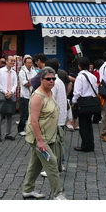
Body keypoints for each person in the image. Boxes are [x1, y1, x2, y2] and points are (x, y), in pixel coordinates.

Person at [22, 67, 66, 200]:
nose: (52, 81)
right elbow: (34, 121)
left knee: (35, 164)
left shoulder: (50, 93)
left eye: (53, 78)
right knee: (52, 162)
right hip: (39, 138)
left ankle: (28, 190)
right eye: (48, 79)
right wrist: (40, 141)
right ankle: (58, 194)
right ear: (41, 80)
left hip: (50, 136)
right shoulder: (37, 96)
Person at [71, 56, 99, 152]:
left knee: (83, 125)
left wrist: (74, 102)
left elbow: (77, 92)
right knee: (89, 124)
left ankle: (85, 145)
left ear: (79, 66)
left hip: (83, 103)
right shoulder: (93, 76)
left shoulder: (80, 77)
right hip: (92, 102)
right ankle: (90, 144)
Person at [0, 55, 18, 142]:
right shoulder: (0, 71)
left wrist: (11, 92)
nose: (12, 62)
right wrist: (5, 92)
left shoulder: (14, 72)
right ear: (6, 61)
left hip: (11, 94)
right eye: (11, 60)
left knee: (9, 114)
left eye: (13, 61)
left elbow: (15, 84)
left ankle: (8, 133)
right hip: (2, 93)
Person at [17, 55, 36, 136]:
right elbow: (25, 84)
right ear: (24, 63)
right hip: (24, 95)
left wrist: (30, 81)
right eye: (28, 63)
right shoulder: (22, 72)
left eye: (30, 63)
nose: (29, 64)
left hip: (32, 94)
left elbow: (36, 81)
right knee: (24, 114)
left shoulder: (33, 71)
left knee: (31, 113)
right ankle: (20, 129)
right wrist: (31, 81)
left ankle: (29, 129)